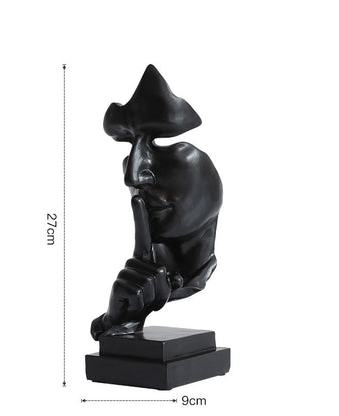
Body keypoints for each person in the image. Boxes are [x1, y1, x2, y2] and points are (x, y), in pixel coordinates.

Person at [90, 65, 223, 340]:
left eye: (163, 146)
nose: (132, 177)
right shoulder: (142, 283)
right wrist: (119, 319)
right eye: (129, 149)